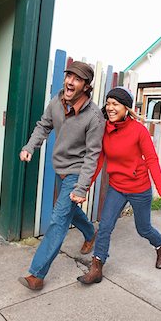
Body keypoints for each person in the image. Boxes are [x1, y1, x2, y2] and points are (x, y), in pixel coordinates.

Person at [18, 61, 105, 290]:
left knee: (58, 220)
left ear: (86, 86)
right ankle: (90, 233)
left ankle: (36, 275)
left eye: (76, 79)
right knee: (69, 211)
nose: (69, 81)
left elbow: (92, 156)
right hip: (60, 168)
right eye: (69, 76)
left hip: (77, 172)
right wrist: (29, 147)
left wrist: (81, 187)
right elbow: (43, 126)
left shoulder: (94, 117)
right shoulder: (57, 102)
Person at [76, 87, 161, 285]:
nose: (110, 108)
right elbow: (98, 161)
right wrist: (84, 187)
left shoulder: (139, 130)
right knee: (105, 227)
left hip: (139, 188)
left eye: (115, 104)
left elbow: (151, 159)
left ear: (126, 108)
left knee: (143, 229)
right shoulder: (104, 131)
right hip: (117, 187)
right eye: (108, 103)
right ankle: (96, 267)